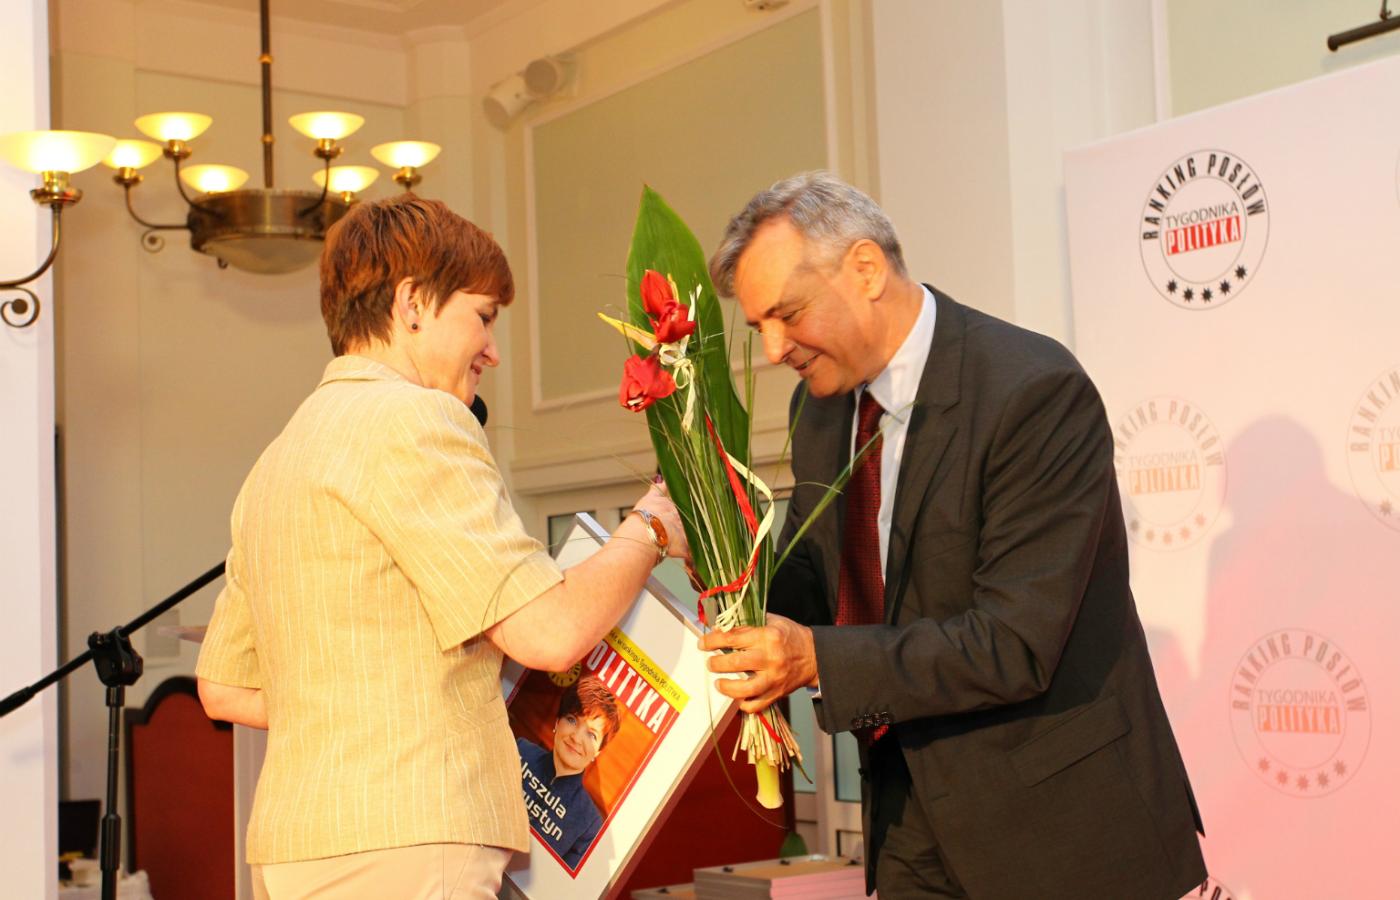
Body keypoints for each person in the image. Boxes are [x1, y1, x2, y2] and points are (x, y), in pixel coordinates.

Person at [699, 172, 1206, 899]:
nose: (775, 349)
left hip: (1062, 831)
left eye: (789, 314)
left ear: (865, 269)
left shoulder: (1030, 389)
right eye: (758, 328)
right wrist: (714, 549)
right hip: (908, 823)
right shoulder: (820, 413)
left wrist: (813, 660)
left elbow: (1014, 643)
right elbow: (822, 584)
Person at [194, 195, 686, 900]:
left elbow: (225, 687)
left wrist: (375, 696)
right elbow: (549, 633)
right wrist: (652, 526)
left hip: (295, 846)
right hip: (409, 835)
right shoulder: (417, 418)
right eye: (483, 316)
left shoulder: (279, 456)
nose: (492, 349)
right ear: (413, 305)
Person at [515, 674, 621, 869]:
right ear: (557, 723)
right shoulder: (519, 750)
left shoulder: (589, 824)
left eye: (591, 734)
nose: (577, 738)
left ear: (598, 751)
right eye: (572, 720)